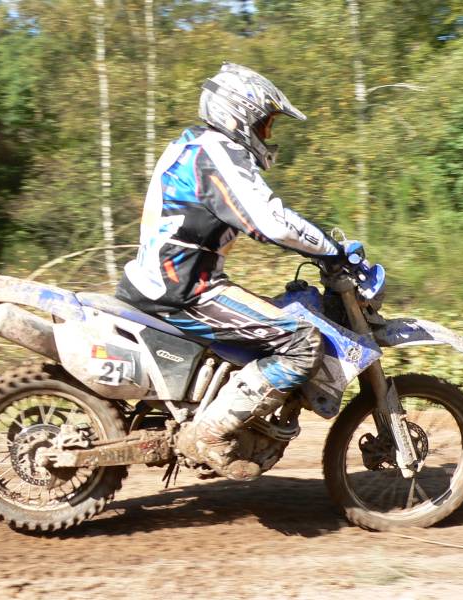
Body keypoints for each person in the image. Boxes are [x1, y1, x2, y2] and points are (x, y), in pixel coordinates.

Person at [115, 63, 343, 481]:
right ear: (240, 116)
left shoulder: (192, 144)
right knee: (302, 341)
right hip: (185, 289)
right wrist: (331, 250)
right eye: (265, 123)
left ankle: (217, 414)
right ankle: (210, 435)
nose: (266, 134)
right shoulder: (216, 153)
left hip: (167, 280)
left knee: (268, 321)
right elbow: (269, 220)